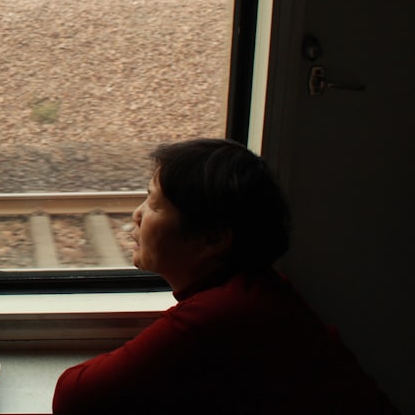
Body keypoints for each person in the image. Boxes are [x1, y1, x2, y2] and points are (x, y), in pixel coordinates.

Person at [52, 138, 399, 414]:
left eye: (155, 204)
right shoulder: (256, 291)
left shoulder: (221, 314)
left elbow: (74, 399)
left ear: (212, 239)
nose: (138, 214)